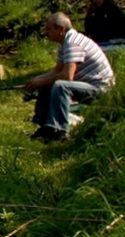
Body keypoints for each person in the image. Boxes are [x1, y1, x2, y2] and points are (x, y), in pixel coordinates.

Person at [26, 12, 115, 141]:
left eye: (49, 29)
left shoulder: (73, 43)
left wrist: (42, 82)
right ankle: (45, 127)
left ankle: (60, 130)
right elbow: (57, 71)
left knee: (61, 86)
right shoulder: (64, 43)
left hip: (101, 88)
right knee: (47, 83)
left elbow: (67, 76)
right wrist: (37, 80)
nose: (46, 32)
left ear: (61, 29)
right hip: (88, 85)